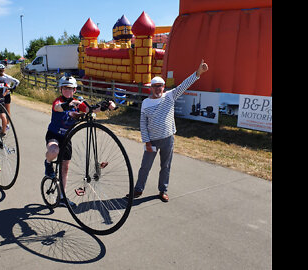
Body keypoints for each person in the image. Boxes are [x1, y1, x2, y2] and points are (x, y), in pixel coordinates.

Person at [129, 59, 209, 202]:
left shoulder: (170, 96)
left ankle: (163, 190)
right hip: (152, 141)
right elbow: (143, 124)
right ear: (151, 88)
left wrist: (198, 73)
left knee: (165, 166)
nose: (158, 89)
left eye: (161, 86)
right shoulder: (145, 103)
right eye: (155, 86)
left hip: (168, 139)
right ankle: (138, 189)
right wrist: (146, 141)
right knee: (145, 166)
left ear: (164, 87)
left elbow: (185, 84)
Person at [44, 75, 115, 206]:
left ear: (74, 90)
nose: (67, 91)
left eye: (70, 88)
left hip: (67, 137)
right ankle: (48, 162)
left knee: (65, 167)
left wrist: (104, 105)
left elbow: (90, 109)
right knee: (54, 150)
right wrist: (68, 105)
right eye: (65, 88)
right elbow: (58, 107)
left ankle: (62, 197)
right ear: (61, 89)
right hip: (53, 135)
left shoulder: (77, 103)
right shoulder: (58, 101)